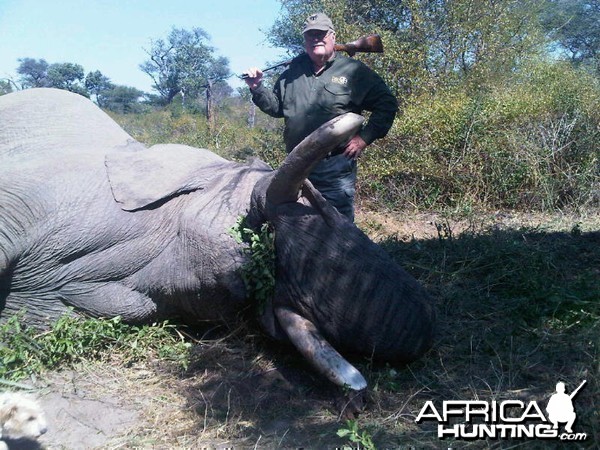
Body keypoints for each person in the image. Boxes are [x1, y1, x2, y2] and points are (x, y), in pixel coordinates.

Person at [244, 12, 398, 221]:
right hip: (295, 166)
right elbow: (276, 108)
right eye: (310, 35)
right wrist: (257, 87)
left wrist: (364, 138)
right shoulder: (292, 72)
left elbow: (387, 104)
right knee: (298, 224)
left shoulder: (354, 71)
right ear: (305, 40)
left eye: (321, 34)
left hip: (334, 168)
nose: (316, 38)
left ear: (333, 37)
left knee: (338, 226)